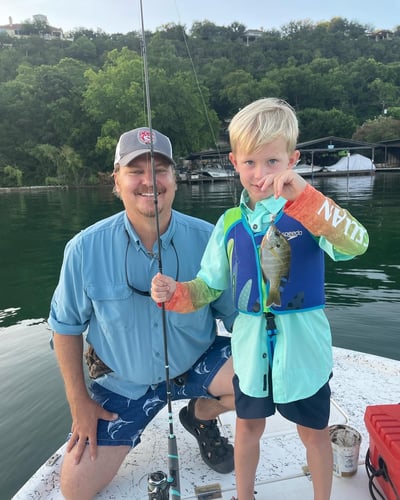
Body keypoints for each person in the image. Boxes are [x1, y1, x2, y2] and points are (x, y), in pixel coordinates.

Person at [151, 98, 369, 500]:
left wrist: (307, 199)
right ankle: (244, 495)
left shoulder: (311, 210)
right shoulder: (229, 223)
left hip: (304, 353)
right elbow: (208, 287)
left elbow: (358, 243)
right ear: (234, 161)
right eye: (250, 162)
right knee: (248, 427)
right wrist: (176, 294)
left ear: (293, 159)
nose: (261, 174)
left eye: (272, 162)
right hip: (251, 353)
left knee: (314, 434)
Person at [48, 127, 237, 500]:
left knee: (267, 382)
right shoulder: (84, 249)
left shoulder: (210, 239)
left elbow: (236, 316)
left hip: (195, 360)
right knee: (76, 487)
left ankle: (201, 415)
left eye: (162, 169)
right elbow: (65, 328)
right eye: (136, 170)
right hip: (124, 382)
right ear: (116, 179)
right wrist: (80, 403)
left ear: (175, 179)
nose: (150, 181)